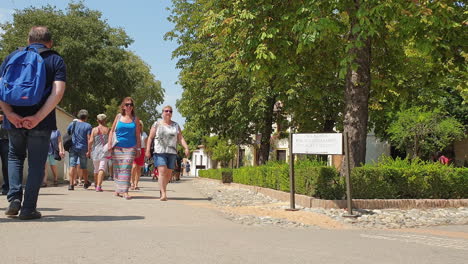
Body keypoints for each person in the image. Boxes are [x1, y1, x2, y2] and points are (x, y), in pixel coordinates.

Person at [0, 26, 66, 220]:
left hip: (15, 120)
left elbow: (1, 87)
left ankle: (14, 199)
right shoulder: (55, 59)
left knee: (14, 157)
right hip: (41, 122)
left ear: (28, 40)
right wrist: (38, 117)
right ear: (50, 42)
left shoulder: (12, 56)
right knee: (37, 164)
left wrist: (10, 114)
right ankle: (28, 208)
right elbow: (58, 92)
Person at [146, 105, 189, 201]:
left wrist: (186, 147)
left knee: (168, 174)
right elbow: (150, 137)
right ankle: (164, 194)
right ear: (162, 113)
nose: (168, 113)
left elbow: (180, 138)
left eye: (170, 111)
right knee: (162, 171)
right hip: (159, 151)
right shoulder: (156, 124)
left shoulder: (176, 125)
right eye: (166, 111)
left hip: (172, 152)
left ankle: (162, 189)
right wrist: (148, 150)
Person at [108, 97, 141, 200]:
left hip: (130, 147)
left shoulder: (135, 119)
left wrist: (139, 148)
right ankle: (118, 189)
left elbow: (137, 134)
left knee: (126, 169)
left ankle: (125, 191)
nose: (129, 106)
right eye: (127, 104)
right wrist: (109, 143)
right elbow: (112, 131)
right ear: (123, 106)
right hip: (117, 147)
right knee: (118, 169)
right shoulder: (118, 117)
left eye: (131, 104)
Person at [67, 109, 92, 190]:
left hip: (73, 147)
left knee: (72, 165)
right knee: (84, 166)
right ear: (86, 117)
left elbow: (68, 133)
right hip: (83, 148)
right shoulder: (88, 126)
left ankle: (71, 184)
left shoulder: (72, 124)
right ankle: (85, 183)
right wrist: (89, 150)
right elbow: (89, 139)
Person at [88, 114, 109, 192]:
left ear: (97, 120)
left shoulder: (94, 130)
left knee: (96, 169)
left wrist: (89, 150)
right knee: (102, 168)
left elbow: (90, 141)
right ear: (105, 120)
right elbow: (110, 142)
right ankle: (98, 186)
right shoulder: (108, 130)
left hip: (95, 151)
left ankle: (96, 184)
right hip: (104, 151)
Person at [131, 120, 147, 190]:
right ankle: (132, 182)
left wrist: (146, 153)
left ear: (141, 126)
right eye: (137, 125)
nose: (139, 126)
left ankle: (136, 184)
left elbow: (145, 145)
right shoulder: (133, 133)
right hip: (134, 150)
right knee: (134, 167)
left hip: (142, 150)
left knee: (138, 168)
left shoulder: (144, 134)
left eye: (140, 125)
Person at [0, 112, 9, 195]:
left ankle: (7, 187)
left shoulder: (6, 100)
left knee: (6, 165)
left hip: (5, 140)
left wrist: (4, 117)